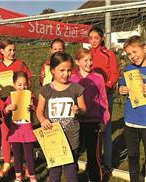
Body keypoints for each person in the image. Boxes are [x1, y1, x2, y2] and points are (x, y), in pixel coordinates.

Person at [36, 52, 86, 182]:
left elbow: (84, 109)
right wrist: (42, 120)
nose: (66, 73)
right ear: (52, 70)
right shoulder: (46, 90)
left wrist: (78, 110)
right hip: (53, 138)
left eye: (69, 70)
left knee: (71, 170)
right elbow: (39, 111)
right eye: (62, 70)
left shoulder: (76, 88)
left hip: (72, 136)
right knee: (55, 170)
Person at [70, 48, 110, 182]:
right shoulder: (72, 78)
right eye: (85, 60)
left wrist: (104, 120)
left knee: (93, 155)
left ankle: (94, 178)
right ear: (77, 62)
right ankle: (73, 178)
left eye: (90, 59)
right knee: (73, 153)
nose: (89, 63)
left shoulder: (98, 78)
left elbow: (103, 100)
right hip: (75, 122)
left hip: (93, 121)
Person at [0, 39, 32, 177]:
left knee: (22, 134)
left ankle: (26, 164)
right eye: (9, 50)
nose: (12, 52)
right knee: (5, 133)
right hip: (4, 103)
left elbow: (29, 82)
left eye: (14, 50)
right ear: (2, 51)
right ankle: (7, 163)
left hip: (20, 104)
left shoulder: (21, 64)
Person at [88, 26, 119, 173]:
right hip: (90, 97)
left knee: (106, 129)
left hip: (106, 95)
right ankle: (95, 161)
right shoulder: (87, 54)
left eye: (96, 37)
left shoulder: (109, 54)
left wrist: (105, 88)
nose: (93, 40)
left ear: (102, 38)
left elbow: (114, 74)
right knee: (93, 129)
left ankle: (107, 164)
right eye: (91, 38)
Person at [119, 35, 146, 182]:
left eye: (135, 52)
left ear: (145, 48)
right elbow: (122, 85)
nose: (132, 57)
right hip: (130, 122)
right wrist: (121, 89)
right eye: (129, 54)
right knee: (133, 156)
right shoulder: (129, 68)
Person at [3, 72, 38, 182]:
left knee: (29, 157)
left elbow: (39, 111)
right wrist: (8, 108)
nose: (23, 87)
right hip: (15, 131)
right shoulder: (10, 98)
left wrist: (33, 107)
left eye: (25, 84)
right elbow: (4, 112)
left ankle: (32, 177)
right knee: (17, 156)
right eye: (19, 84)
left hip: (27, 131)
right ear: (14, 84)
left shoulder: (31, 97)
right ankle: (18, 177)